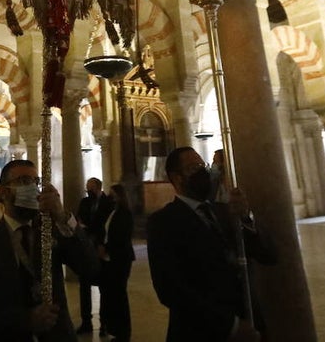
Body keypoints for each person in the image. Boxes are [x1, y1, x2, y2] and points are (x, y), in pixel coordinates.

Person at [0, 159, 100, 342]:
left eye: (35, 182)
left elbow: (92, 270)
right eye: (23, 181)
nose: (31, 187)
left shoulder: (51, 231)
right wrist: (25, 320)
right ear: (3, 191)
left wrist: (63, 217)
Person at [147, 146, 276, 342]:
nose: (202, 172)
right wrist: (230, 327)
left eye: (203, 165)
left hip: (249, 322)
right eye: (192, 168)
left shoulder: (225, 211)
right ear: (177, 177)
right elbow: (170, 290)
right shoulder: (163, 222)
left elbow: (268, 255)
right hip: (202, 333)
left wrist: (246, 219)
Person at [74, 177, 113, 334]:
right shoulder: (84, 202)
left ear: (98, 187)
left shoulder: (108, 203)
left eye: (90, 188)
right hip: (86, 248)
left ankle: (104, 323)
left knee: (104, 287)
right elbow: (79, 218)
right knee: (84, 287)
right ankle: (86, 322)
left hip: (100, 248)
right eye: (86, 188)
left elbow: (106, 225)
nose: (88, 191)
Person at [98, 184, 134, 342]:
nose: (110, 197)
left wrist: (106, 248)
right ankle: (114, 328)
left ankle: (123, 332)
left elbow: (121, 237)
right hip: (110, 258)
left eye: (113, 194)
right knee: (112, 294)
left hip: (120, 258)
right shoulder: (113, 211)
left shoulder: (125, 214)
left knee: (120, 294)